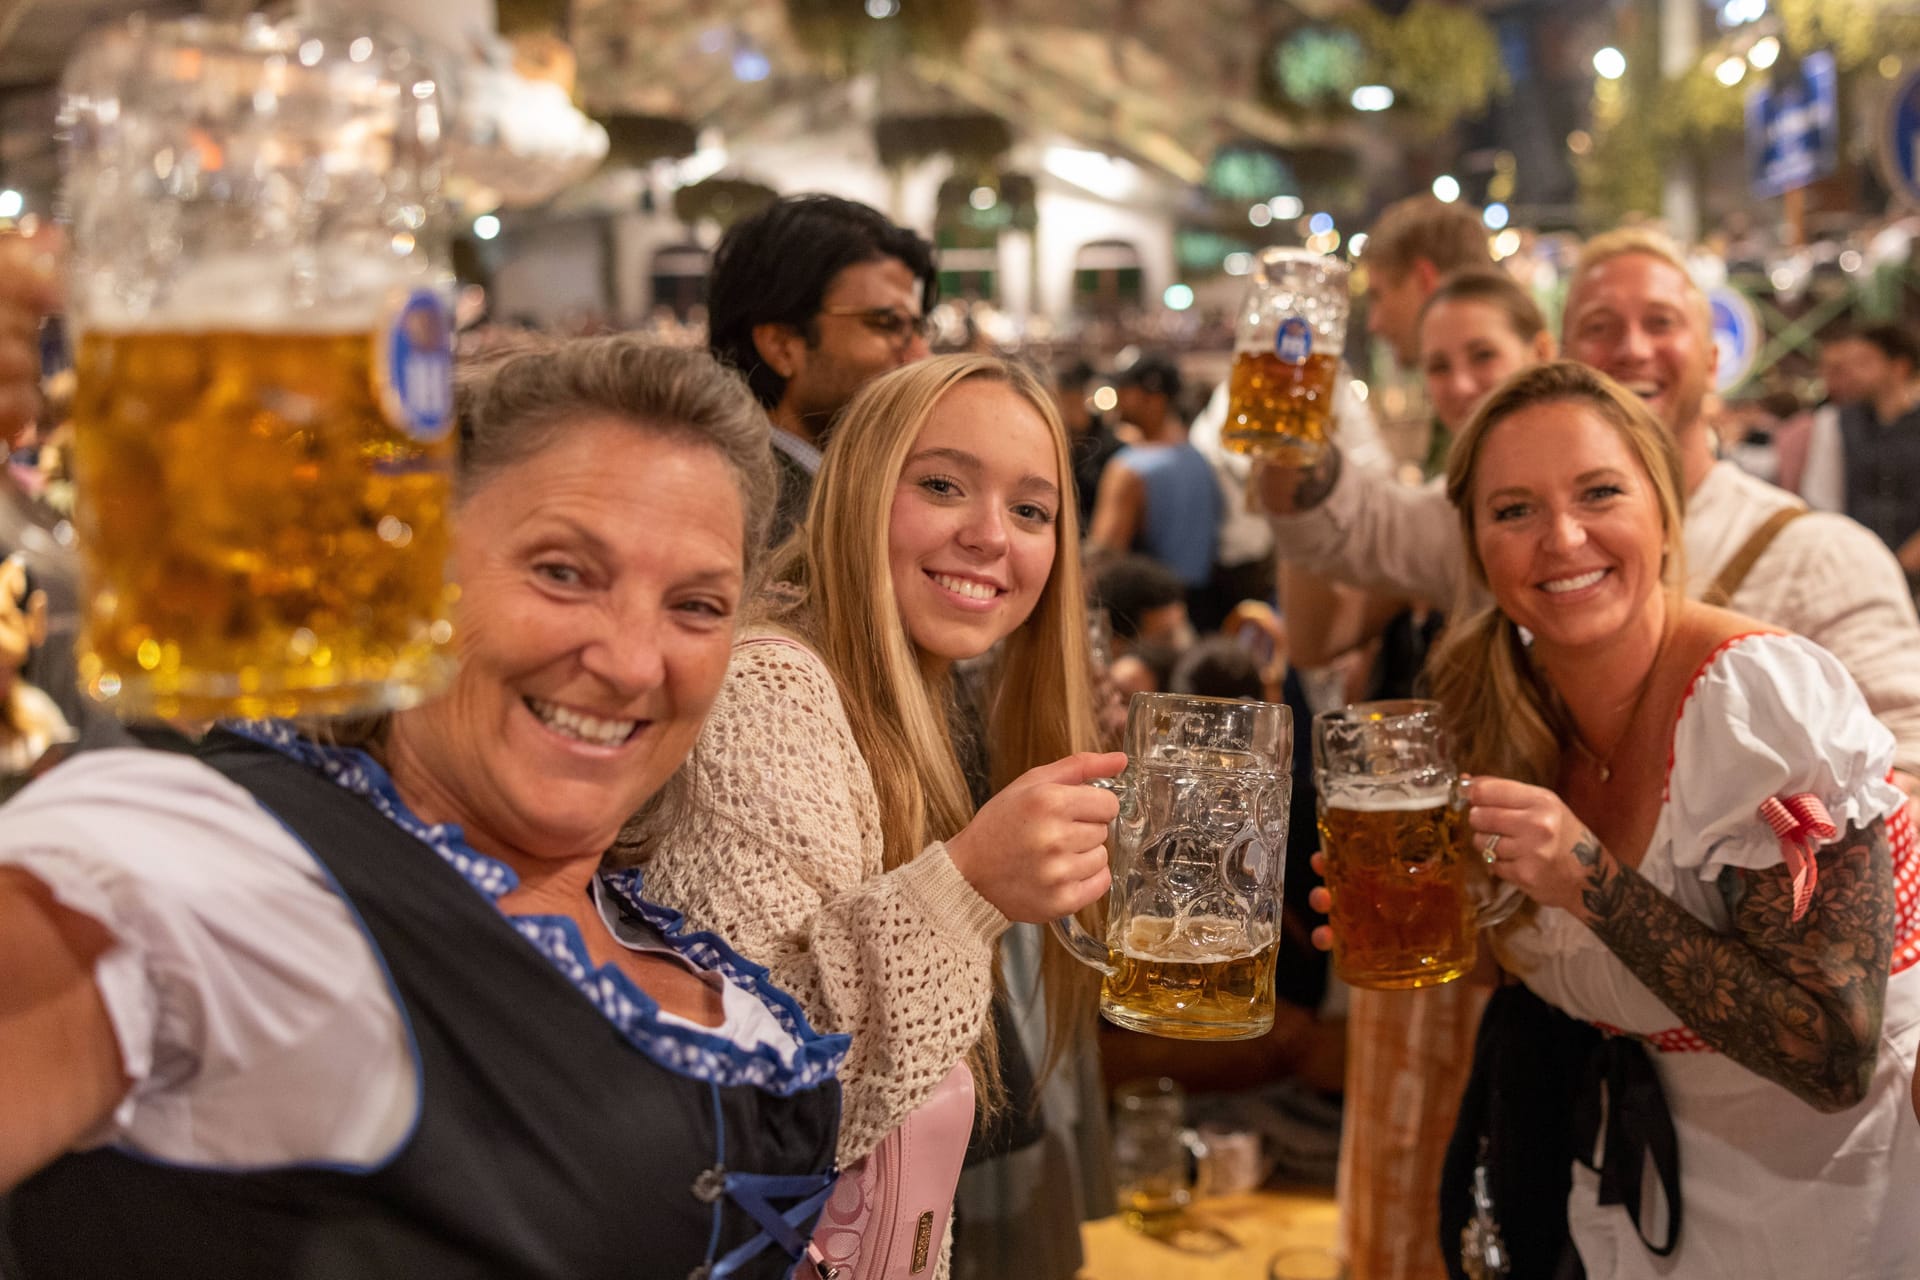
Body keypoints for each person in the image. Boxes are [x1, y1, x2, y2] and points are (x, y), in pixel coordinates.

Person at [0, 337, 849, 1279]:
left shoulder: (648, 930)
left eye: (695, 605)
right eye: (564, 573)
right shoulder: (235, 868)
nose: (632, 660)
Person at [621, 354, 1123, 1280]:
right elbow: (764, 1104)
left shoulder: (917, 691)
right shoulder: (772, 688)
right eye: (942, 485)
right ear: (855, 490)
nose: (989, 536)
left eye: (1031, 510)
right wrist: (966, 889)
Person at [1423, 360, 1919, 1275]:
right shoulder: (1490, 701)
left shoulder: (1757, 705)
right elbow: (1561, 973)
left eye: (1599, 492)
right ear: (1475, 543)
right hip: (1637, 1180)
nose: (1562, 538)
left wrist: (1591, 883)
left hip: (1830, 1195)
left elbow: (1833, 1057)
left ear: (1664, 506)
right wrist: (1433, 919)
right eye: (1513, 510)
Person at [1257, 227, 1920, 798]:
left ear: (1714, 359)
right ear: (1567, 361)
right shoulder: (1496, 524)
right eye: (1600, 329)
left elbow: (1907, 778)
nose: (1632, 348)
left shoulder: (1821, 556)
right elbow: (1343, 527)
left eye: (1660, 323)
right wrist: (1283, 383)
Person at [1334, 268, 1558, 1280]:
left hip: (1533, 919)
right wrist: (1302, 454)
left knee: (1492, 1174)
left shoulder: (1560, 530)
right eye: (1438, 364)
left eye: (1484, 357)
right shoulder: (1439, 514)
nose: (1460, 383)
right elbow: (1321, 590)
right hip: (1430, 901)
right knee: (1414, 1167)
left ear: (1539, 352)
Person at [705, 193, 938, 543]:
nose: (920, 356)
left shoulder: (831, 491)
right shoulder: (762, 520)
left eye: (918, 328)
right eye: (887, 323)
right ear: (782, 346)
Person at [1087, 353, 1221, 600]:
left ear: (1154, 399)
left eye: (1126, 391)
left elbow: (1103, 558)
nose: (1118, 398)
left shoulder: (1129, 468)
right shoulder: (1198, 457)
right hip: (1200, 606)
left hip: (1146, 611)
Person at [1798, 323, 1920, 580]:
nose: (1853, 373)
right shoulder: (1834, 421)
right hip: (1858, 569)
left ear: (1899, 367)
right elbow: (1822, 500)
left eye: (1865, 362)